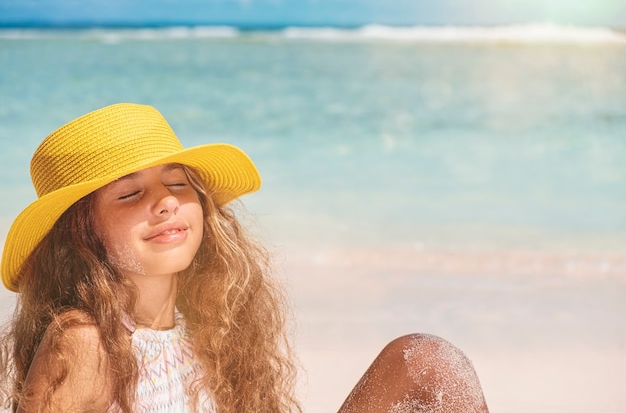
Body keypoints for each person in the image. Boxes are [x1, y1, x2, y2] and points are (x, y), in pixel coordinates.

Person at [0, 103, 489, 413]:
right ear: (82, 233)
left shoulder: (211, 334)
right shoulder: (87, 341)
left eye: (176, 184)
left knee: (425, 361)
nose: (166, 202)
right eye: (129, 195)